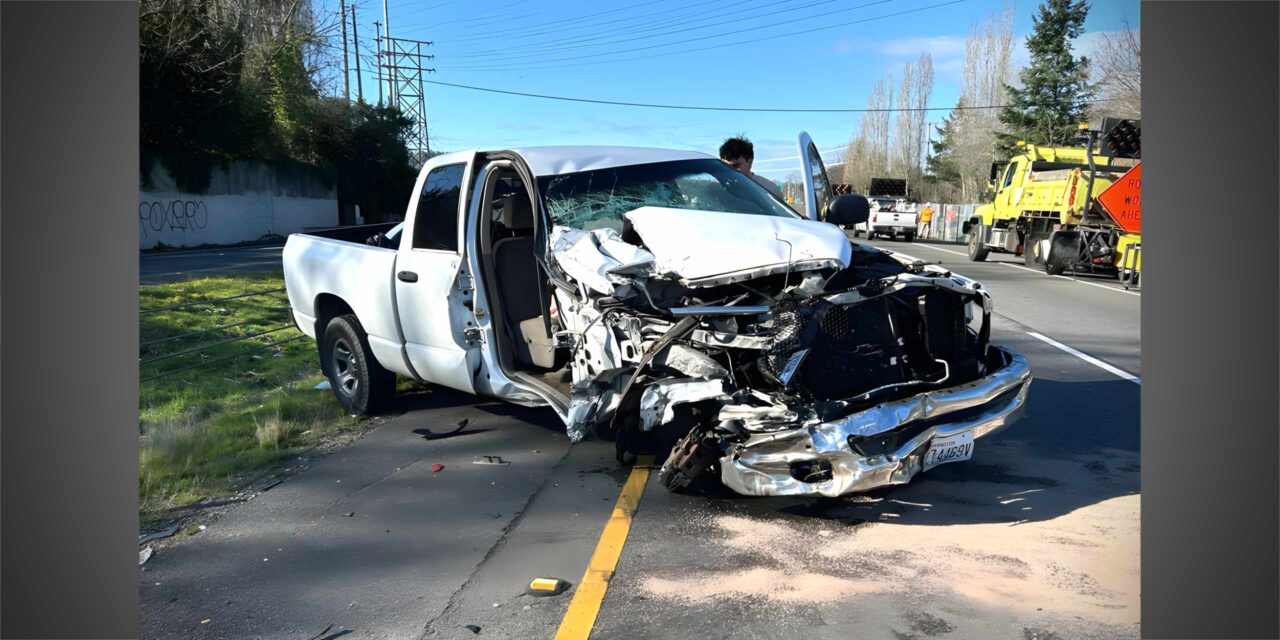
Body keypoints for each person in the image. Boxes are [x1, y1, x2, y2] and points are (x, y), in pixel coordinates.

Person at [719, 135, 785, 200]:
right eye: (725, 166)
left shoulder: (769, 190)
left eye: (735, 166)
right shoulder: (715, 190)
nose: (730, 170)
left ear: (750, 162)